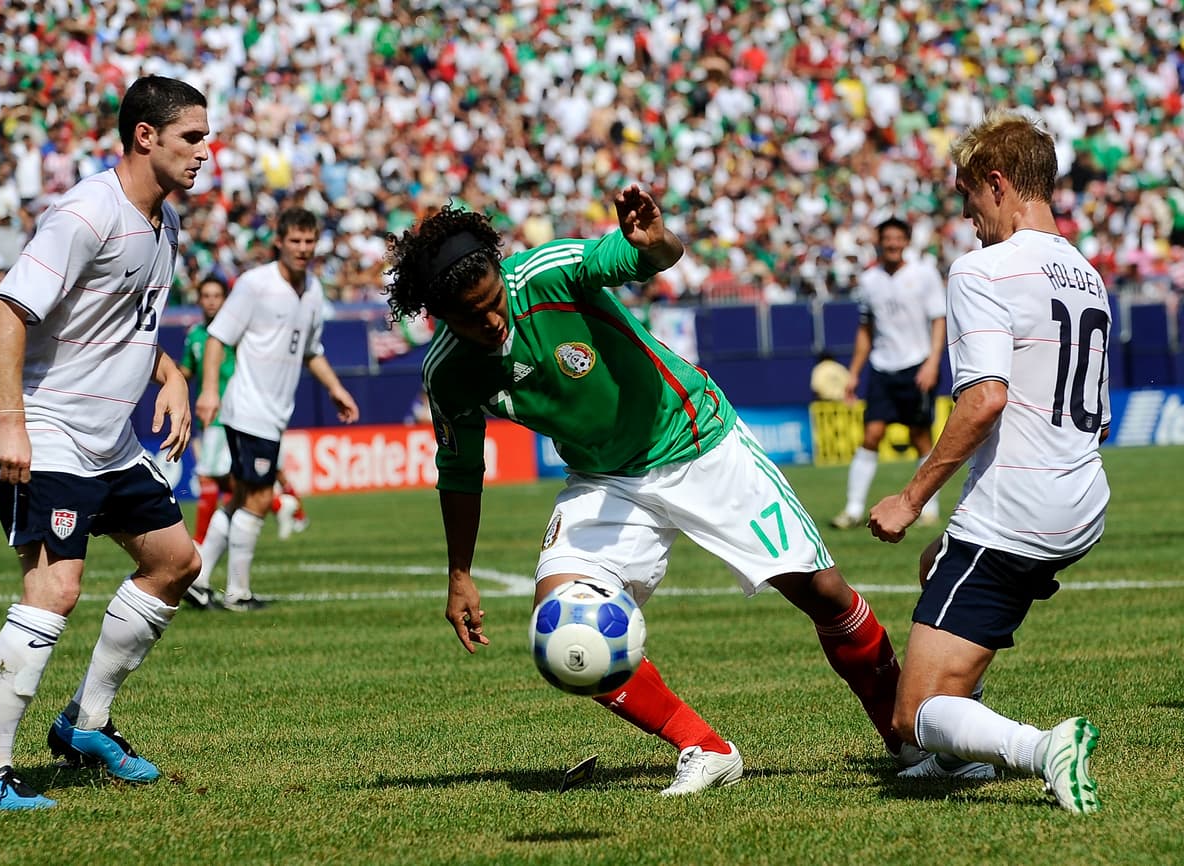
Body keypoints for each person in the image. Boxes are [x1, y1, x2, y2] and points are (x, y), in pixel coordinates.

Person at [383, 184, 912, 796]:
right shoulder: (447, 371)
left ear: (501, 273)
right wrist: (460, 573)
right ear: (437, 315)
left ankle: (907, 738)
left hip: (695, 440)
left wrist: (655, 240)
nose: (490, 319)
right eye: (470, 316)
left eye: (492, 301)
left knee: (824, 593)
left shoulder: (552, 273)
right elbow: (459, 471)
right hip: (605, 480)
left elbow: (643, 256)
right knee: (561, 627)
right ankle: (705, 746)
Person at [0, 75, 208, 810]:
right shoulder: (87, 212)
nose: (206, 151)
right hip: (48, 428)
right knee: (55, 588)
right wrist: (13, 423)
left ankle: (84, 724)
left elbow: (123, 324)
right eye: (192, 137)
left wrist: (170, 375)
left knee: (176, 563)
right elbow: (5, 311)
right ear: (146, 136)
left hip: (108, 437)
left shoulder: (163, 224)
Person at [868, 111, 1109, 814]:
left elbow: (983, 402)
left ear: (997, 183)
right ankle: (958, 756)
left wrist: (909, 500)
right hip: (1080, 500)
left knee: (913, 713)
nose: (968, 216)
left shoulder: (982, 270)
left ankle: (1043, 748)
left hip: (1018, 508)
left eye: (967, 195)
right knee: (937, 562)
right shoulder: (1088, 274)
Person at [191, 207, 359, 610]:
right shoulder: (255, 285)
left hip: (273, 412)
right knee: (260, 499)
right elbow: (217, 338)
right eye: (295, 241)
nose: (302, 249)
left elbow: (311, 350)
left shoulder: (314, 291)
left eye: (309, 241)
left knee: (242, 497)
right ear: (278, 243)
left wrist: (336, 388)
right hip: (248, 408)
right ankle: (238, 593)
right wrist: (210, 390)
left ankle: (197, 581)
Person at [832, 217, 946, 530]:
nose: (892, 244)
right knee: (871, 435)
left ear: (906, 241)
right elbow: (866, 330)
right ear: (879, 242)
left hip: (917, 366)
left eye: (898, 238)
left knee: (920, 436)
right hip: (882, 367)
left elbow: (939, 320)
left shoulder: (924, 275)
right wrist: (854, 372)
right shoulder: (869, 281)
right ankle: (853, 509)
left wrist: (932, 362)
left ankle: (929, 507)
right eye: (887, 239)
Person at [179, 276, 235, 554]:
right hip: (207, 416)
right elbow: (187, 371)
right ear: (199, 299)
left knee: (207, 478)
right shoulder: (195, 335)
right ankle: (279, 505)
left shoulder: (236, 333)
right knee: (230, 482)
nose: (211, 300)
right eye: (206, 295)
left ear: (225, 299)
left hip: (227, 415)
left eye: (217, 295)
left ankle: (200, 543)